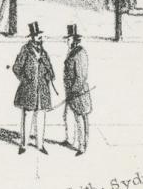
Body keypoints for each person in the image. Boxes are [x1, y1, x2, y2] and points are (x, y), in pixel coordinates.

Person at [12, 22, 56, 155]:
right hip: (29, 91)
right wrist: (26, 80)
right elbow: (16, 68)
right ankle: (24, 145)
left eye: (40, 36)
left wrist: (49, 75)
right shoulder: (25, 50)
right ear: (32, 37)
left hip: (42, 92)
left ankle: (40, 145)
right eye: (37, 36)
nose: (40, 38)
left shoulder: (44, 53)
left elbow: (52, 73)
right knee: (27, 116)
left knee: (41, 117)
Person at [62, 24, 92, 156]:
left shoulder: (80, 53)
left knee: (80, 119)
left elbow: (81, 76)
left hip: (78, 93)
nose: (67, 41)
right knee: (68, 116)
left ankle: (82, 146)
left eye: (68, 39)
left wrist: (73, 91)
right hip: (70, 92)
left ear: (74, 40)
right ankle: (70, 140)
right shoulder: (72, 52)